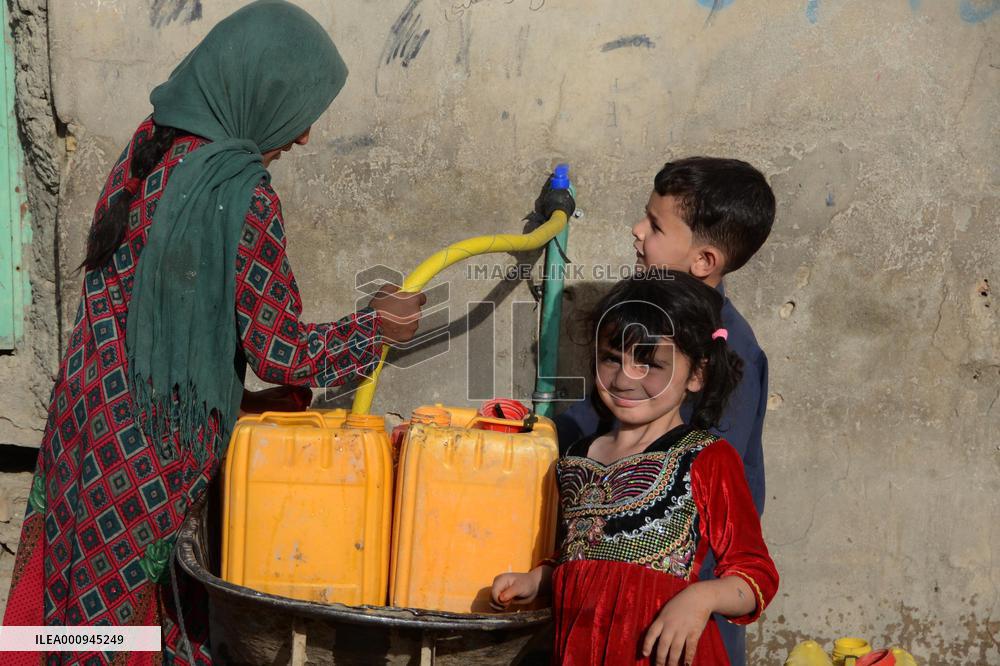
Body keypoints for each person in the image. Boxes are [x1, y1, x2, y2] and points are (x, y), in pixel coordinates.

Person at [1, 2, 424, 663]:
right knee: (129, 623)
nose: (305, 135)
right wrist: (375, 328)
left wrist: (234, 399)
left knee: (76, 595)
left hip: (82, 425)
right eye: (299, 108)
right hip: (149, 455)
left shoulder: (147, 145)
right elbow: (279, 350)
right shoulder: (238, 192)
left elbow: (150, 308)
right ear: (257, 91)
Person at [492, 271, 778, 666]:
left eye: (649, 363)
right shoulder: (575, 459)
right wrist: (536, 581)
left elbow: (756, 575)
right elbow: (584, 556)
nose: (625, 378)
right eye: (612, 358)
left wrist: (701, 597)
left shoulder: (706, 458)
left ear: (696, 374)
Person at [555, 156, 775, 665]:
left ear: (703, 261)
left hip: (680, 612)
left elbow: (706, 498)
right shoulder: (644, 324)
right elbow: (591, 418)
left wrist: (697, 599)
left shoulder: (730, 351)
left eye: (655, 226)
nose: (637, 231)